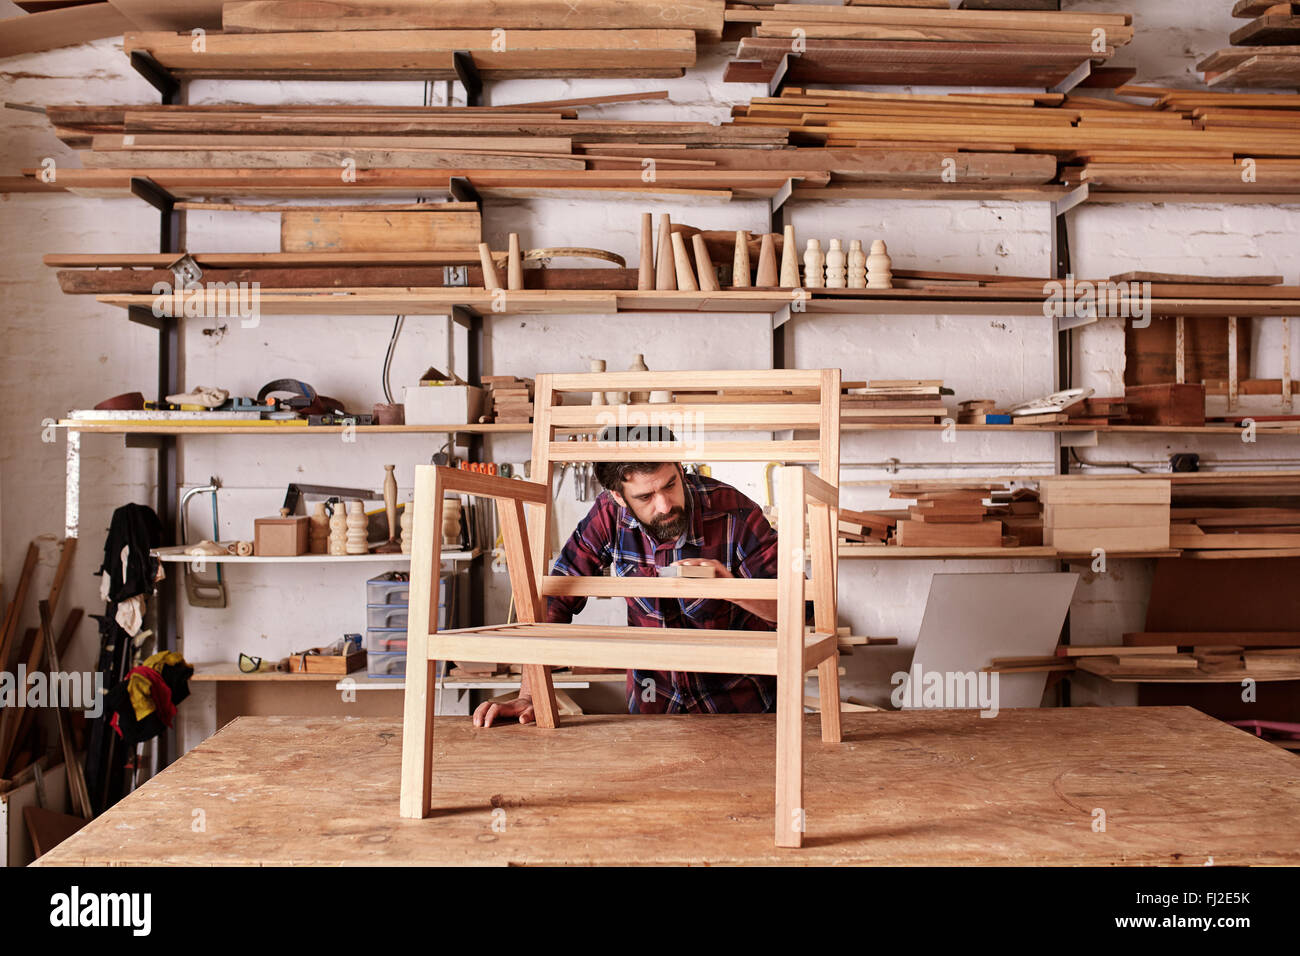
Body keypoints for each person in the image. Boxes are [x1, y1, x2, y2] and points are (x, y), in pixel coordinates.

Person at [473, 427, 780, 727]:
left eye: (671, 485)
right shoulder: (608, 514)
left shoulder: (735, 512)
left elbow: (794, 611)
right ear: (618, 497)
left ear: (680, 467)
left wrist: (732, 589)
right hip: (654, 708)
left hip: (740, 709)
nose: (665, 505)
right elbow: (555, 600)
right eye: (646, 497)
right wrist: (531, 694)